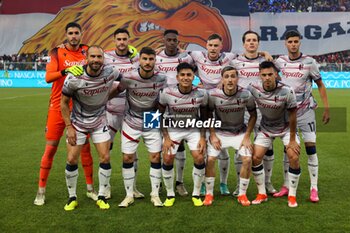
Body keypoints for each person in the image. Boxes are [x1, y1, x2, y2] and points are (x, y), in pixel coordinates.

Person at [34, 22, 97, 206]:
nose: (74, 36)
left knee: (85, 148)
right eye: (70, 33)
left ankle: (90, 189)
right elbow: (48, 77)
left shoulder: (87, 50)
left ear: (81, 34)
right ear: (66, 34)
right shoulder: (56, 52)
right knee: (51, 148)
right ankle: (41, 191)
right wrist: (66, 70)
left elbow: (101, 58)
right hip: (57, 107)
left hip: (79, 107)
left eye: (77, 32)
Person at [61, 45, 120, 210]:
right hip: (78, 124)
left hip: (99, 122)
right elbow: (63, 103)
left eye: (99, 57)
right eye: (92, 57)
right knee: (72, 159)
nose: (96, 60)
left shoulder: (111, 72)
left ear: (103, 59)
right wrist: (69, 127)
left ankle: (102, 196)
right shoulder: (74, 76)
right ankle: (72, 197)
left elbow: (125, 82)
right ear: (86, 58)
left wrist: (107, 97)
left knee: (105, 157)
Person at [274, 30, 330, 202]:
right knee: (288, 149)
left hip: (306, 112)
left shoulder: (309, 62)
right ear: (285, 43)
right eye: (290, 41)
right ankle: (286, 185)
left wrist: (327, 108)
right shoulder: (279, 62)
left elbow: (320, 84)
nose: (293, 44)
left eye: (296, 41)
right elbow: (269, 75)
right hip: (287, 113)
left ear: (300, 42)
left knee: (310, 147)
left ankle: (314, 188)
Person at [113, 47, 166, 208]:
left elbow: (165, 99)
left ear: (155, 61)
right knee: (127, 158)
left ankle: (155, 195)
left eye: (151, 59)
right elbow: (117, 91)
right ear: (139, 60)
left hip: (151, 118)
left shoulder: (162, 79)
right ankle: (129, 195)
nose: (148, 62)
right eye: (145, 59)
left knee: (155, 157)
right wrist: (100, 104)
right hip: (131, 120)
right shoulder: (128, 77)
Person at [230, 30, 277, 196]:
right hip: (241, 110)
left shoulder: (266, 61)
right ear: (243, 44)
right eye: (248, 40)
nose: (251, 43)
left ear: (258, 43)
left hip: (263, 109)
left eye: (254, 40)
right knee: (240, 147)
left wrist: (265, 54)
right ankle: (238, 184)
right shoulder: (235, 61)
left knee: (267, 148)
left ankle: (268, 182)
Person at [248, 61, 301, 208]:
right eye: (264, 75)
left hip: (285, 129)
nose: (267, 78)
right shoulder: (253, 88)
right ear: (260, 75)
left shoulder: (287, 90)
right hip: (266, 129)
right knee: (256, 157)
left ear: (276, 74)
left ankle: (292, 195)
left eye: (270, 74)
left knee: (294, 156)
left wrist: (292, 139)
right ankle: (262, 193)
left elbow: (293, 115)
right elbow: (239, 94)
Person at [204, 66, 257, 206]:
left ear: (237, 79)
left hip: (239, 133)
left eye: (233, 76)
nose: (230, 79)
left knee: (247, 159)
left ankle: (242, 194)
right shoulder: (213, 95)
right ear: (222, 79)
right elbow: (208, 114)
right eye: (226, 76)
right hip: (219, 133)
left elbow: (253, 115)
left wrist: (247, 136)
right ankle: (209, 194)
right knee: (210, 159)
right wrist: (213, 135)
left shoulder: (246, 94)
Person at [159, 62, 207, 207]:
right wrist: (166, 138)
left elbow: (204, 117)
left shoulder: (201, 94)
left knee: (199, 157)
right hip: (173, 129)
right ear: (177, 77)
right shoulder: (166, 92)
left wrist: (203, 138)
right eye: (183, 75)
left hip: (193, 129)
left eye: (189, 75)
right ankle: (170, 194)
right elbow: (158, 115)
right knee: (167, 158)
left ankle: (196, 194)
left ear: (194, 77)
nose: (186, 78)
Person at [104, 28, 143, 199]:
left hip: (130, 113)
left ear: (129, 40)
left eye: (124, 39)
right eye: (118, 39)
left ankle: (132, 187)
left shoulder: (136, 59)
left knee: (132, 153)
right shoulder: (106, 58)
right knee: (106, 151)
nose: (121, 42)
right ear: (114, 40)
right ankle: (105, 187)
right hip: (110, 112)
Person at [156, 29, 194, 197]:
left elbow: (196, 74)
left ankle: (179, 182)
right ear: (163, 40)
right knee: (156, 145)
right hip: (156, 105)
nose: (172, 43)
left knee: (178, 145)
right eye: (169, 40)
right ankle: (158, 182)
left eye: (175, 40)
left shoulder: (186, 58)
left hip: (180, 105)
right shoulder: (156, 58)